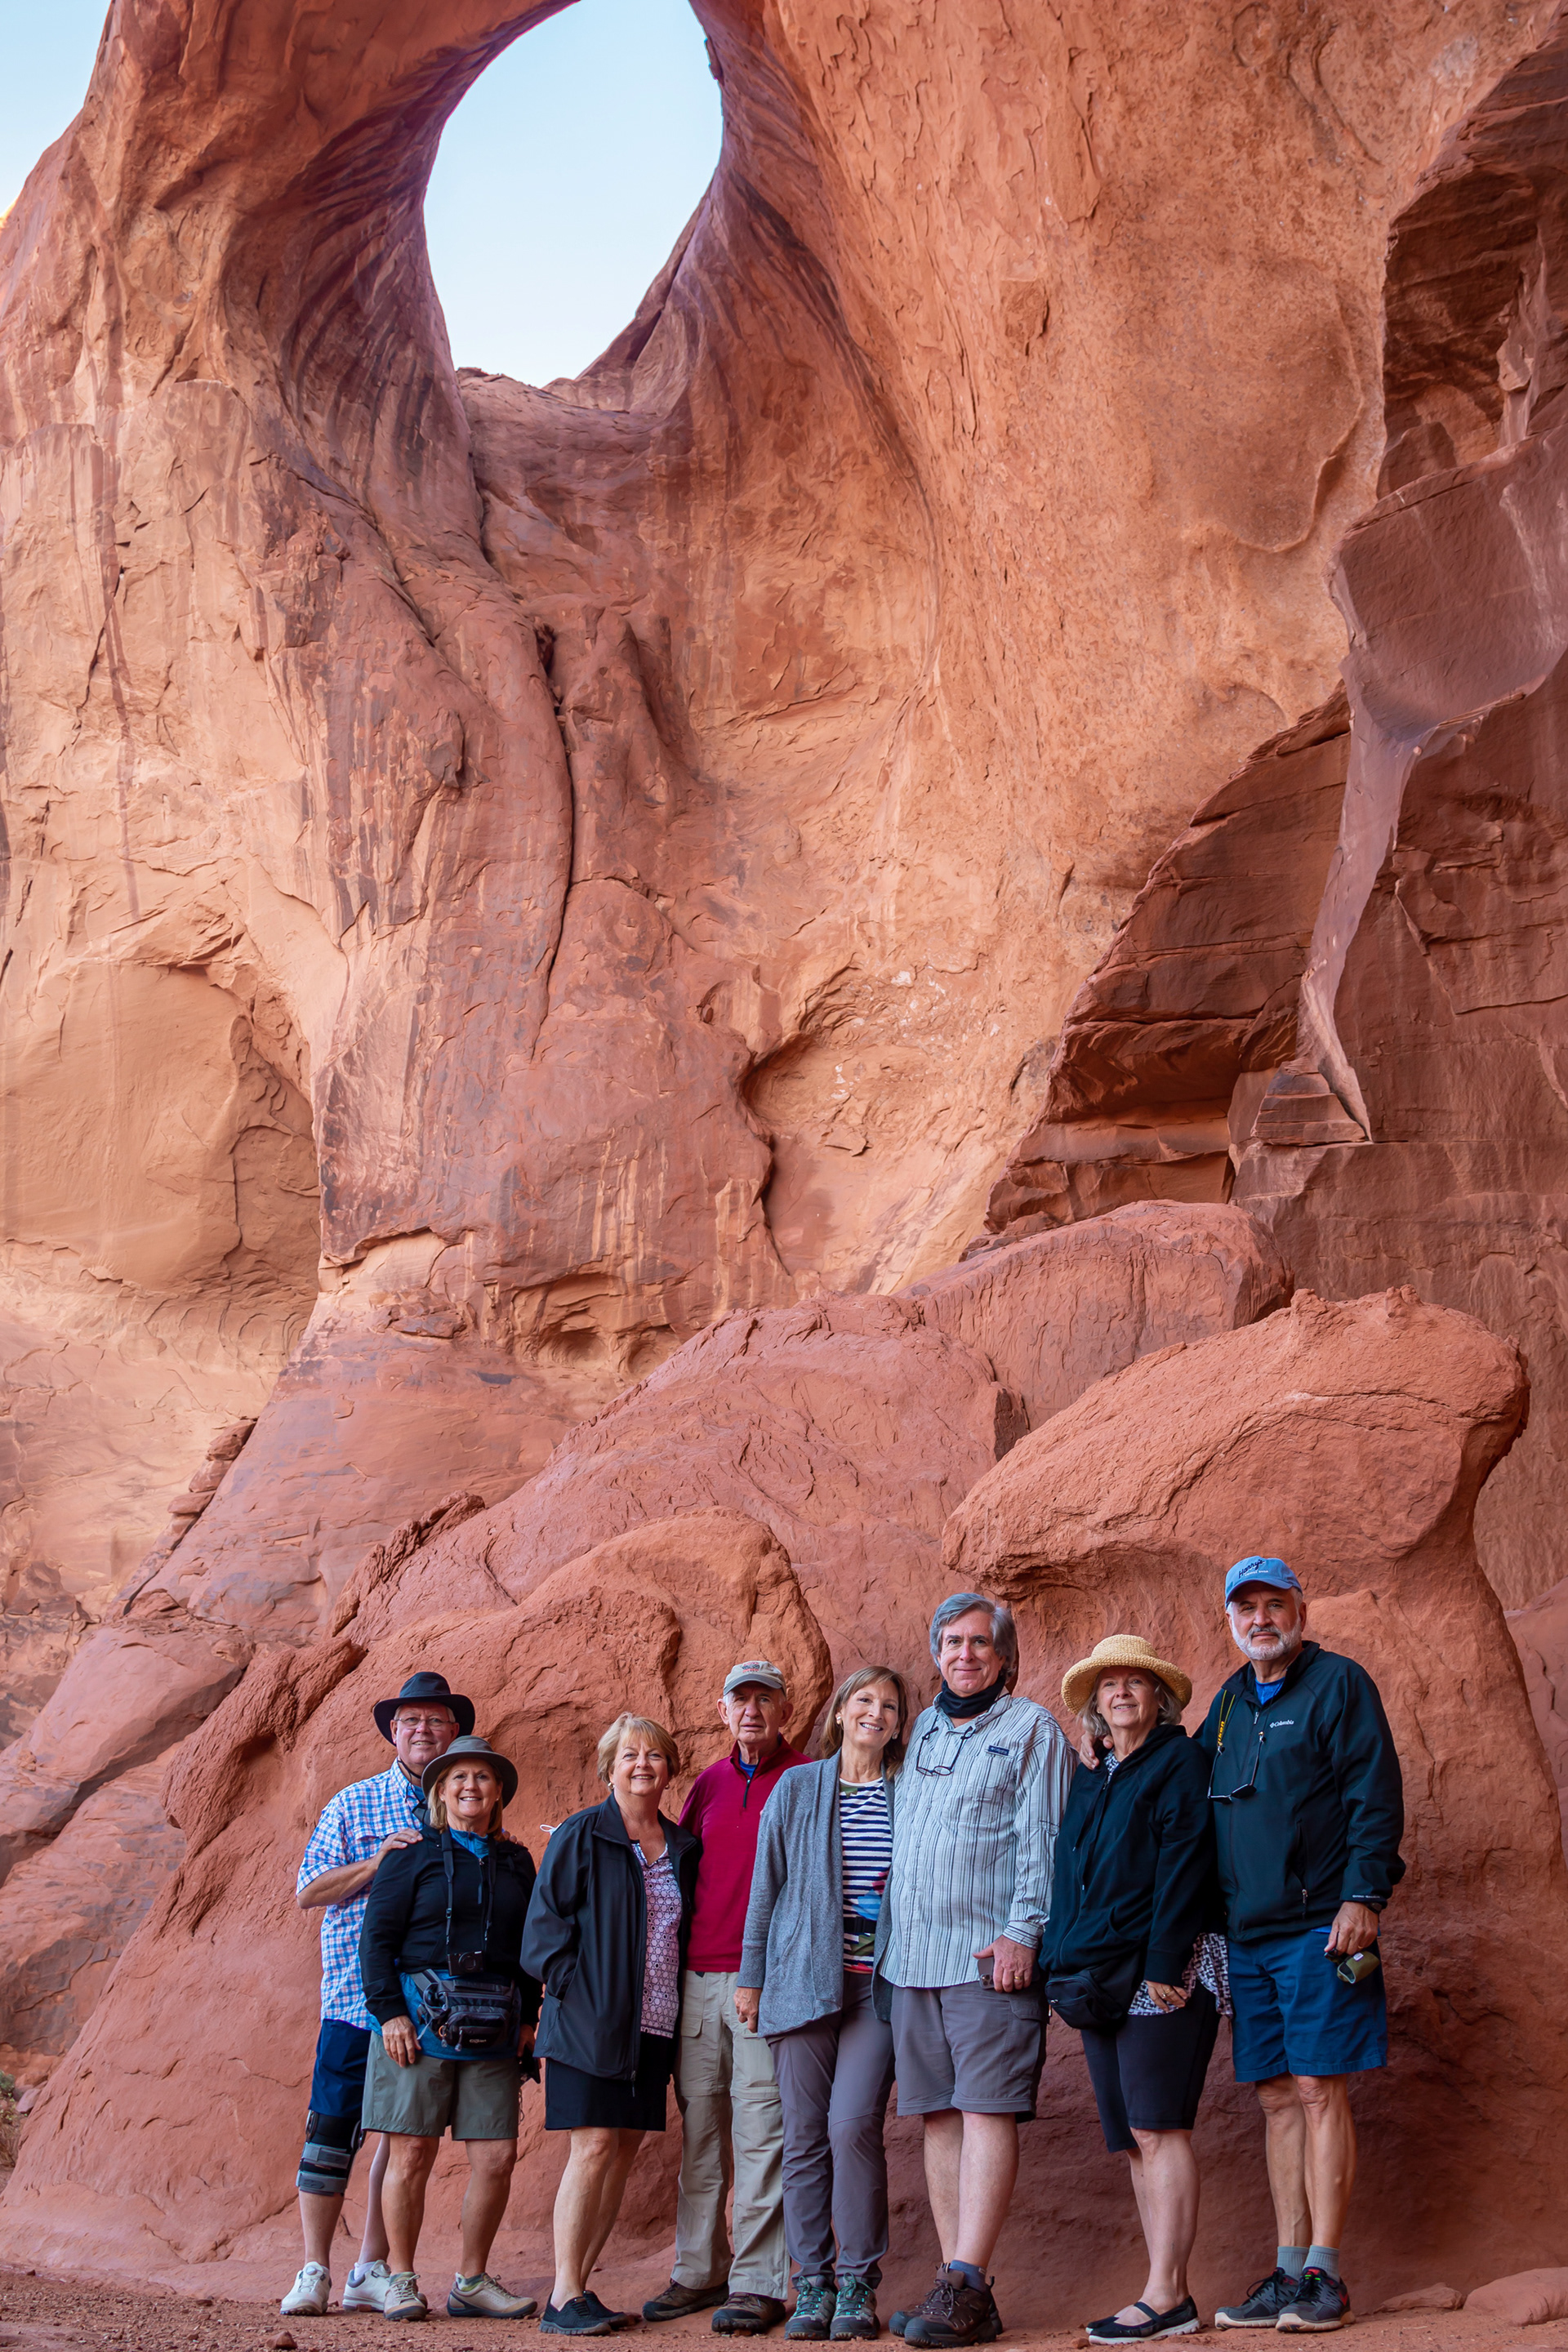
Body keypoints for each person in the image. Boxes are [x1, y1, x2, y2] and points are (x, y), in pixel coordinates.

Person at [1201, 1557, 1405, 2336]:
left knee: (1320, 2088)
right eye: (1245, 1607)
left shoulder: (1339, 1684)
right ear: (1231, 1619)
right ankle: (1289, 2272)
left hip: (1323, 1925)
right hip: (1247, 1934)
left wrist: (1365, 1895)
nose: (1260, 1619)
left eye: (1273, 1605)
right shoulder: (1227, 1703)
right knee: (1276, 2095)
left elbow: (1373, 1795)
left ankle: (1326, 2273)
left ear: (1300, 1610)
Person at [881, 1593, 1075, 2350]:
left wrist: (1025, 1931)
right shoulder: (923, 1728)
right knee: (937, 2114)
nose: (964, 1655)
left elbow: (1046, 1838)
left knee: (986, 2109)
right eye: (951, 1642)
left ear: (1004, 1657)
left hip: (987, 1958)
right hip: (913, 1963)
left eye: (979, 1644)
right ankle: (958, 2285)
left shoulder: (1031, 1729)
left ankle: (965, 2277)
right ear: (936, 1652)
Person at [1045, 1636, 1225, 2345]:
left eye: (1136, 1683)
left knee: (1160, 2125)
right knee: (1132, 2139)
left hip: (1162, 1969)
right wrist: (1060, 1954)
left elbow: (1187, 1864)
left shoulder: (1180, 1762)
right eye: (1109, 1684)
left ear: (1160, 1698)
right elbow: (1071, 1871)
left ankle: (1167, 2295)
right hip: (1095, 1971)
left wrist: (1163, 1962)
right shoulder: (1095, 1775)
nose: (1121, 1693)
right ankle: (1164, 2291)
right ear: (1096, 1703)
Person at [283, 1668, 472, 2319]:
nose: (423, 1730)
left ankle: (368, 2268)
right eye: (412, 1721)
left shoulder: (462, 1807)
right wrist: (377, 1863)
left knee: (401, 2136)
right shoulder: (354, 1803)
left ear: (455, 1735)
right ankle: (313, 2269)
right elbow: (309, 1890)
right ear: (395, 1732)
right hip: (352, 2002)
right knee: (330, 2132)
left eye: (436, 1722)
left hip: (422, 2009)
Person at [737, 1667, 911, 2343]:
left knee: (851, 2126)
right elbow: (765, 1888)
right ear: (841, 1712)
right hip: (800, 1980)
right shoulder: (799, 1785)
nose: (874, 1713)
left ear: (900, 1723)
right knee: (803, 2136)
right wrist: (751, 1980)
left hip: (878, 1986)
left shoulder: (910, 1791)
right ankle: (811, 2281)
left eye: (889, 1706)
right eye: (863, 1701)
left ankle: (859, 2282)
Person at [523, 1713, 702, 2336]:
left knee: (621, 2154)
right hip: (590, 2026)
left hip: (653, 2028)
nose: (642, 1766)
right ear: (609, 1768)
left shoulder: (681, 1847)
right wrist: (580, 1995)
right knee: (593, 2146)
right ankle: (562, 2296)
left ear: (669, 1769)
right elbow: (542, 1935)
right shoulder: (582, 1834)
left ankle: (580, 2287)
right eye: (629, 1756)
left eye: (653, 1756)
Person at [643, 1659, 808, 2336]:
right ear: (723, 1712)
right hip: (698, 1983)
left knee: (761, 2129)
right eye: (740, 1700)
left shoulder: (805, 1779)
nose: (752, 1712)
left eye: (764, 1700)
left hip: (764, 1981)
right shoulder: (708, 1785)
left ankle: (760, 2281)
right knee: (702, 2130)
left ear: (783, 1711)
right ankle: (699, 2268)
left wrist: (769, 1974)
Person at [359, 1734, 541, 2323]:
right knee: (411, 2151)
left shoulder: (516, 1861)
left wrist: (532, 2017)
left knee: (496, 2156)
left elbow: (527, 1947)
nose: (471, 1787)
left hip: (494, 2023)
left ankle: (471, 2281)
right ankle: (402, 2279)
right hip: (418, 2022)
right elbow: (376, 1940)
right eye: (459, 1777)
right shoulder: (410, 1856)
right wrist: (389, 2012)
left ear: (498, 1792)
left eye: (483, 1778)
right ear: (440, 1789)